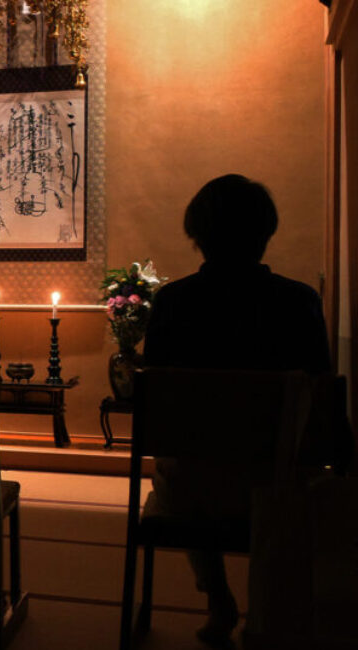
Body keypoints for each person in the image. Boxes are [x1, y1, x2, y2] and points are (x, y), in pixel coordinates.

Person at [143, 174, 332, 647]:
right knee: (292, 483)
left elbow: (153, 409)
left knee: (188, 469)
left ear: (197, 234)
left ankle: (217, 595)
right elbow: (325, 399)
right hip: (278, 485)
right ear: (265, 232)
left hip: (193, 491)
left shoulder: (173, 303)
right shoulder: (299, 302)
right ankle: (269, 611)